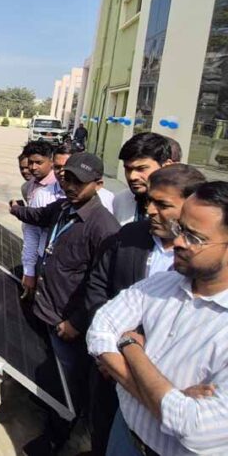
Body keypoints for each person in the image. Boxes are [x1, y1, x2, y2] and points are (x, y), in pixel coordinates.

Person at [87, 181, 228, 455]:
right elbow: (99, 329)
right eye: (180, 229)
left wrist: (131, 347)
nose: (178, 242)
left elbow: (195, 429)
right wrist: (160, 399)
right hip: (124, 434)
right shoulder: (162, 284)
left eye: (194, 238)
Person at [10, 153, 120, 455]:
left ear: (98, 184)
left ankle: (58, 436)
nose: (70, 186)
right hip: (48, 309)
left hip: (68, 324)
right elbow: (38, 216)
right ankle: (52, 413)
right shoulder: (63, 207)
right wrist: (17, 209)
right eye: (67, 178)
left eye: (79, 182)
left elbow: (102, 286)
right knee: (53, 374)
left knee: (70, 387)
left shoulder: (104, 227)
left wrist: (76, 322)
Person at [13, 141, 58, 298]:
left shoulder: (60, 187)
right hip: (41, 255)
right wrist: (29, 270)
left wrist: (19, 211)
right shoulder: (31, 186)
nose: (32, 167)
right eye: (30, 163)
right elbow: (31, 230)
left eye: (38, 162)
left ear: (51, 161)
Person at [113, 133, 177, 225]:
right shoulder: (120, 200)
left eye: (141, 168)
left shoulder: (186, 206)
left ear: (166, 166)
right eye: (128, 169)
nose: (132, 176)